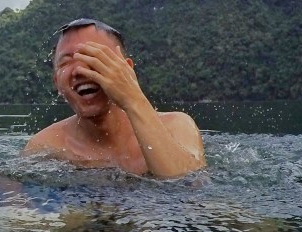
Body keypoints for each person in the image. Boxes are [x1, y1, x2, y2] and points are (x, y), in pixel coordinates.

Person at [24, 18, 205, 178]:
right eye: (66, 62)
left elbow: (188, 186)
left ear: (126, 70)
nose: (79, 70)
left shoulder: (177, 126)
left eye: (94, 56)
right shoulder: (46, 146)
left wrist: (132, 99)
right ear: (56, 82)